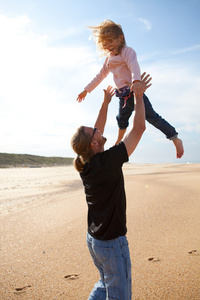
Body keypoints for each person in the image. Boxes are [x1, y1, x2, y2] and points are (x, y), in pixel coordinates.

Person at [71, 73, 151, 299]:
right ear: (94, 143)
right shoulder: (107, 161)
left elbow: (97, 129)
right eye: (95, 132)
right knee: (118, 295)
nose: (99, 130)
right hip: (111, 244)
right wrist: (139, 95)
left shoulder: (86, 162)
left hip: (94, 241)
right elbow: (139, 129)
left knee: (104, 284)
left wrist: (105, 103)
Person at [76, 19, 184, 159]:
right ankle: (119, 142)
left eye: (111, 41)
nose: (108, 46)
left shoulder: (127, 52)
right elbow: (100, 76)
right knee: (121, 120)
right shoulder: (108, 60)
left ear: (120, 38)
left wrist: (137, 81)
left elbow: (134, 66)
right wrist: (87, 90)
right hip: (122, 96)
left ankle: (175, 138)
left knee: (152, 117)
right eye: (105, 44)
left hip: (134, 91)